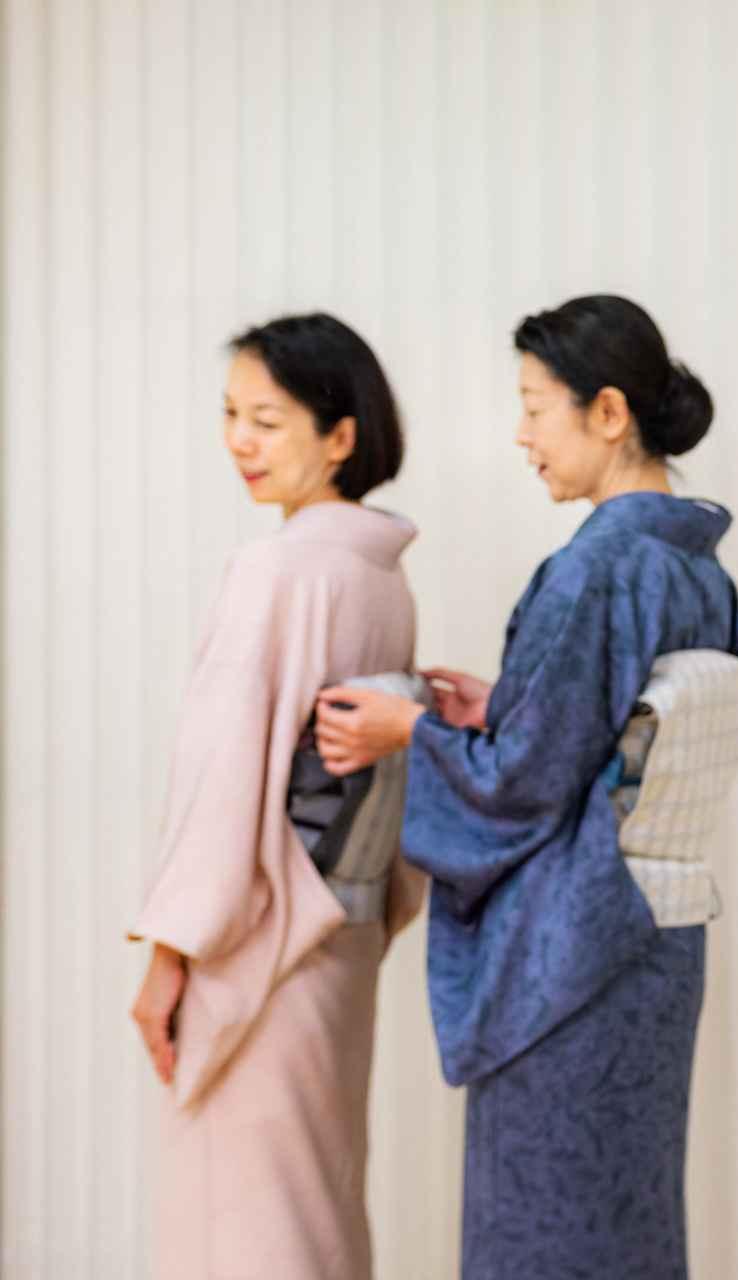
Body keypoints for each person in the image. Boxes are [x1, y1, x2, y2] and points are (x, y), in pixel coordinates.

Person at [312, 295, 738, 1279]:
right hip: (654, 941)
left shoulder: (598, 567)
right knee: (628, 1211)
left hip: (573, 950)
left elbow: (517, 788)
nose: (522, 435)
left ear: (607, 412)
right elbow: (583, 736)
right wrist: (494, 706)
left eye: (534, 406)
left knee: (544, 1227)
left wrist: (408, 728)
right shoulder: (694, 565)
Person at [128, 313, 419, 1279]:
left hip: (259, 929)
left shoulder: (278, 568)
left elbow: (224, 771)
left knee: (245, 1213)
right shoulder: (381, 577)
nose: (239, 443)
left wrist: (172, 953)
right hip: (341, 924)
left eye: (266, 420)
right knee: (317, 1187)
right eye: (231, 416)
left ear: (340, 437)